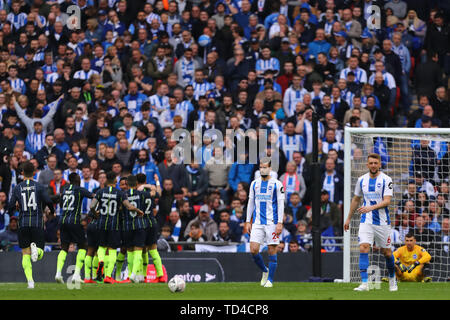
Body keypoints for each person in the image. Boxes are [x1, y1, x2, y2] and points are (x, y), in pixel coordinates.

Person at [344, 153, 397, 292]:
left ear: (379, 164)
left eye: (375, 163)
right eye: (371, 163)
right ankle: (365, 283)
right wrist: (348, 218)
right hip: (366, 220)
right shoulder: (361, 180)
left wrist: (370, 207)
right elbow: (356, 199)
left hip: (382, 222)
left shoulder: (387, 179)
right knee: (363, 247)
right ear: (367, 164)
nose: (373, 165)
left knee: (387, 253)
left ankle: (392, 278)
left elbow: (387, 201)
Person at [88, 171, 144, 284]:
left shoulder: (100, 192)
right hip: (114, 225)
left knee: (102, 248)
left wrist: (96, 213)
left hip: (101, 224)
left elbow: (91, 206)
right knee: (112, 250)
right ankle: (108, 275)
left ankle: (101, 262)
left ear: (106, 180)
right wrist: (138, 211)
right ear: (115, 181)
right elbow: (128, 206)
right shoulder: (120, 193)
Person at [7, 161, 55, 289]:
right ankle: (36, 249)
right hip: (37, 222)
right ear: (34, 173)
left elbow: (10, 206)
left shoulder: (17, 187)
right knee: (40, 253)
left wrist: (15, 208)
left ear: (22, 173)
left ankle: (30, 282)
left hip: (22, 223)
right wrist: (52, 211)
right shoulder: (39, 187)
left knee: (25, 254)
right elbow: (49, 200)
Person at [246, 160, 285, 288]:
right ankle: (265, 270)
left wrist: (280, 223)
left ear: (270, 168)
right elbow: (251, 203)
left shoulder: (277, 184)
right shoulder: (254, 184)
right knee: (253, 250)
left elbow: (280, 204)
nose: (262, 170)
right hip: (257, 222)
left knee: (272, 250)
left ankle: (270, 281)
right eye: (261, 167)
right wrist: (247, 221)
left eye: (265, 167)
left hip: (272, 223)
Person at [54, 173, 94, 284]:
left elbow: (61, 205)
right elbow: (95, 196)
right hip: (74, 221)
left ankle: (58, 273)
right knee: (83, 246)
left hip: (63, 221)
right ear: (77, 180)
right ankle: (76, 275)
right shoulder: (80, 189)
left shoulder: (64, 189)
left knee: (64, 248)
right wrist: (92, 211)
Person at [136, 173, 165, 283]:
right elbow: (159, 192)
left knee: (140, 250)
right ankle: (160, 275)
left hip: (141, 223)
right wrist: (155, 182)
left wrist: (143, 186)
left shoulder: (137, 193)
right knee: (153, 250)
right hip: (152, 222)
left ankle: (142, 275)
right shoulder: (150, 193)